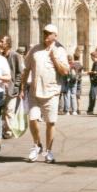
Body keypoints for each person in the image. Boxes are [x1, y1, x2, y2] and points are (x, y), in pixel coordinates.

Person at [19, 23, 69, 164]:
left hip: (52, 92)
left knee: (50, 122)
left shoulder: (60, 50)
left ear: (55, 36)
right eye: (44, 32)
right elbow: (26, 70)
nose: (45, 35)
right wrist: (22, 88)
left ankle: (49, 151)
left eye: (49, 33)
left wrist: (54, 58)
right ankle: (37, 145)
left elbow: (65, 71)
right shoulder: (35, 49)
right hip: (34, 91)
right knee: (32, 119)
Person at [0, 35, 23, 138]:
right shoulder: (0, 56)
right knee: (3, 110)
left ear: (8, 43)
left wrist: (16, 87)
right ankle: (4, 129)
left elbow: (20, 73)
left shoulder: (15, 55)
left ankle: (9, 131)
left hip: (11, 88)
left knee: (9, 110)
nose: (0, 43)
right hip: (1, 87)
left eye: (2, 41)